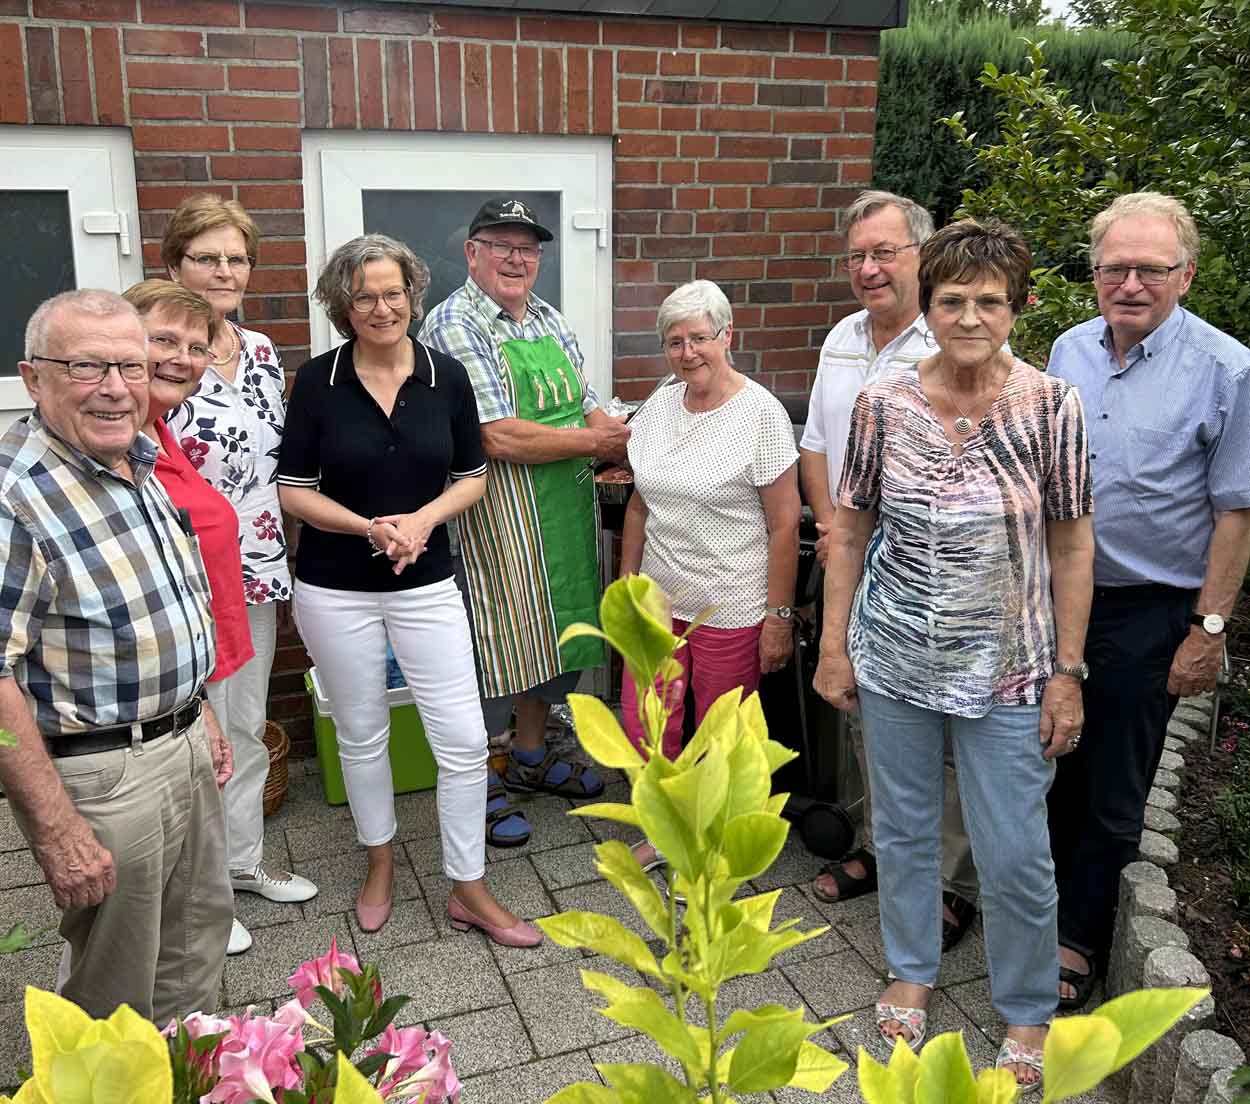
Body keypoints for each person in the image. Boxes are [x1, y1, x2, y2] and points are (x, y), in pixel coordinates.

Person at [813, 219, 1093, 1090]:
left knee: (1015, 850)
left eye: (990, 301)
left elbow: (1073, 547)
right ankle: (911, 969)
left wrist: (1068, 674)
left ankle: (1026, 1008)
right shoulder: (882, 405)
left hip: (1011, 669)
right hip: (894, 657)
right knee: (900, 829)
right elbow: (850, 532)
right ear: (926, 307)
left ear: (1020, 307)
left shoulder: (1052, 406)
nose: (970, 317)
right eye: (951, 301)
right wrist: (833, 644)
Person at [278, 234, 541, 947]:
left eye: (393, 292)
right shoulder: (317, 382)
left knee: (459, 740)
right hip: (335, 589)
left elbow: (473, 476)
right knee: (361, 736)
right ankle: (380, 864)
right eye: (364, 295)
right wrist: (370, 528)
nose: (381, 307)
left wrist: (420, 521)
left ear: (412, 296)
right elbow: (295, 492)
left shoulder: (446, 376)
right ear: (343, 304)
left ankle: (469, 887)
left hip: (427, 584)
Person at [0, 290, 232, 1022]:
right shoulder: (16, 496)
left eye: (130, 366)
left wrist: (201, 713)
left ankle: (181, 1077)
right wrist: (57, 829)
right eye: (85, 366)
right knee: (114, 983)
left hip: (182, 741)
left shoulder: (135, 456)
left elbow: (166, 603)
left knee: (195, 942)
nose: (114, 387)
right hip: (104, 774)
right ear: (33, 378)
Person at [1046, 192, 1250, 1010]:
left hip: (1149, 606)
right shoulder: (1068, 349)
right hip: (1061, 597)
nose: (1130, 283)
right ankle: (1043, 908)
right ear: (1095, 274)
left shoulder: (1228, 369)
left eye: (1150, 269)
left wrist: (1208, 628)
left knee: (1113, 779)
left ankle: (1079, 937)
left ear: (1185, 275)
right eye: (1114, 267)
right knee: (1051, 758)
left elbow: (1237, 511)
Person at [801, 189, 980, 952]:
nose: (868, 269)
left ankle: (950, 882)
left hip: (926, 572)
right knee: (868, 716)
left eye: (885, 252)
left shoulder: (950, 343)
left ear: (922, 256)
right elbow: (814, 442)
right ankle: (880, 849)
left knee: (939, 729)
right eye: (857, 256)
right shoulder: (841, 336)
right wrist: (832, 525)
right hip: (850, 557)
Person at [419, 198, 629, 845]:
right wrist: (601, 445)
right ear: (472, 253)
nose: (517, 258)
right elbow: (498, 436)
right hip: (496, 518)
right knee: (493, 643)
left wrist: (615, 437)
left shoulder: (547, 318)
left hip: (562, 508)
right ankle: (476, 777)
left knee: (560, 631)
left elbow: (590, 404)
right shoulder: (455, 322)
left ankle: (533, 758)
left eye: (528, 247)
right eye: (502, 244)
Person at [162, 194, 316, 952]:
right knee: (198, 738)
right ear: (174, 264)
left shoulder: (257, 349)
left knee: (248, 724)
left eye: (236, 257)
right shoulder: (156, 349)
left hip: (256, 566)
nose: (223, 270)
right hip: (184, 575)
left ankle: (244, 863)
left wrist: (287, 553)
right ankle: (202, 899)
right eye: (206, 257)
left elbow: (276, 462)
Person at [620, 279, 799, 756]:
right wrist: (627, 587)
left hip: (729, 605)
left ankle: (714, 830)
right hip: (658, 602)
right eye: (675, 342)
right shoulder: (659, 405)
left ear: (727, 337)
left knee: (722, 737)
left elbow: (784, 525)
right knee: (648, 725)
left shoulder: (761, 414)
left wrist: (778, 618)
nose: (688, 352)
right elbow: (640, 504)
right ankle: (661, 826)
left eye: (699, 338)